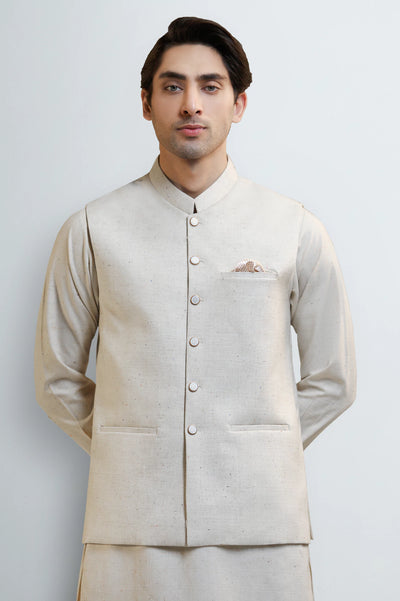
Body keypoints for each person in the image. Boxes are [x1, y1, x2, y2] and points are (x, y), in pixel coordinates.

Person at [34, 16, 356, 601]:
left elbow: (334, 380)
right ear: (146, 103)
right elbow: (56, 379)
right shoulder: (92, 229)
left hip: (264, 527)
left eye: (210, 86)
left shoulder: (294, 229)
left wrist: (253, 449)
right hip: (128, 526)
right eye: (172, 86)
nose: (191, 104)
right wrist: (134, 449)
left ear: (239, 104)